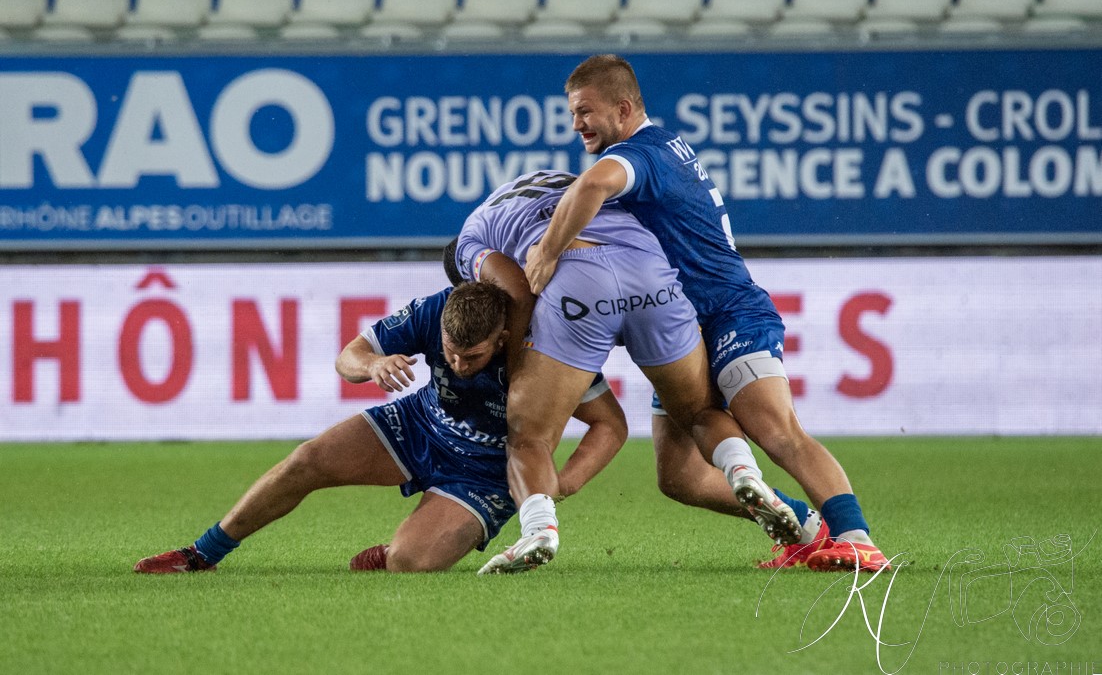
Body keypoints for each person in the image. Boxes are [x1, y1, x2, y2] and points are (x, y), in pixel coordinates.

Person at [524, 54, 890, 573]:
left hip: (729, 313)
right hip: (679, 327)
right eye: (572, 113)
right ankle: (806, 529)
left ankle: (857, 539)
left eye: (585, 111)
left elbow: (590, 185)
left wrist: (547, 252)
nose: (577, 124)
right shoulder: (662, 146)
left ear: (623, 109)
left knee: (775, 430)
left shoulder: (640, 154)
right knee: (679, 476)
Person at [133, 281, 628, 574]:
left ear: (502, 339)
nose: (457, 364)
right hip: (420, 423)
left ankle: (393, 553)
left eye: (472, 356)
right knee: (307, 460)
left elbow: (610, 425)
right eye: (449, 351)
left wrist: (563, 483)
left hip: (489, 475)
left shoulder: (550, 353)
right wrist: (372, 365)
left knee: (411, 563)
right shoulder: (436, 309)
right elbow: (348, 356)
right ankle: (201, 554)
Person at [454, 170, 801, 575]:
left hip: (577, 282)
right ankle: (742, 469)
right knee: (698, 412)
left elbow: (515, 288)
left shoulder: (468, 241)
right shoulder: (558, 183)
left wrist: (519, 370)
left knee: (530, 436)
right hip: (650, 272)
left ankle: (538, 530)